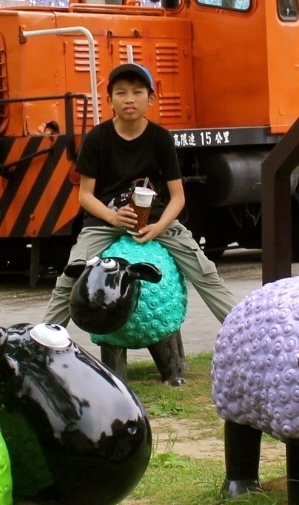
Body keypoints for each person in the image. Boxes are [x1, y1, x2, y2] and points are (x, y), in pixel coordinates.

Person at [43, 62, 236, 339]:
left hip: (156, 222)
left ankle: (245, 331)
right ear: (109, 100)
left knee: (205, 274)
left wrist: (158, 228)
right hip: (105, 223)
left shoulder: (160, 138)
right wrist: (112, 217)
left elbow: (178, 198)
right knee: (69, 279)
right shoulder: (97, 138)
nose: (129, 99)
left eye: (137, 92)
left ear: (151, 99)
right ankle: (43, 340)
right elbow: (85, 195)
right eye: (121, 93)